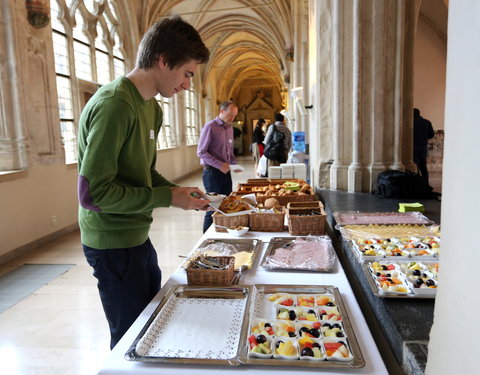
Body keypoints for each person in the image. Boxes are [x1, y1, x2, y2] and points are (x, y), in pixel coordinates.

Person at [77, 16, 210, 349]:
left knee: (151, 325)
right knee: (129, 342)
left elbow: (143, 172)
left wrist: (179, 193)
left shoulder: (152, 109)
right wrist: (167, 197)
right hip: (111, 241)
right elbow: (93, 194)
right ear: (164, 60)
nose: (187, 85)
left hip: (136, 235)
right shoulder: (114, 105)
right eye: (187, 73)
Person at [197, 101, 240, 232]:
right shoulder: (210, 127)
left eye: (234, 116)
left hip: (226, 173)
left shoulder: (230, 128)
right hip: (212, 173)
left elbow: (229, 151)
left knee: (226, 205)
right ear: (222, 111)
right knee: (213, 207)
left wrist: (234, 164)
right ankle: (206, 239)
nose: (232, 118)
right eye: (230, 115)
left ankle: (222, 233)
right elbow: (201, 152)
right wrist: (220, 165)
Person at [413, 108, 435, 187]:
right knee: (423, 167)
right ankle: (426, 185)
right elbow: (431, 135)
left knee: (415, 167)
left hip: (412, 147)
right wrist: (423, 137)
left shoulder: (410, 122)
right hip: (423, 147)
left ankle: (416, 185)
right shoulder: (427, 122)